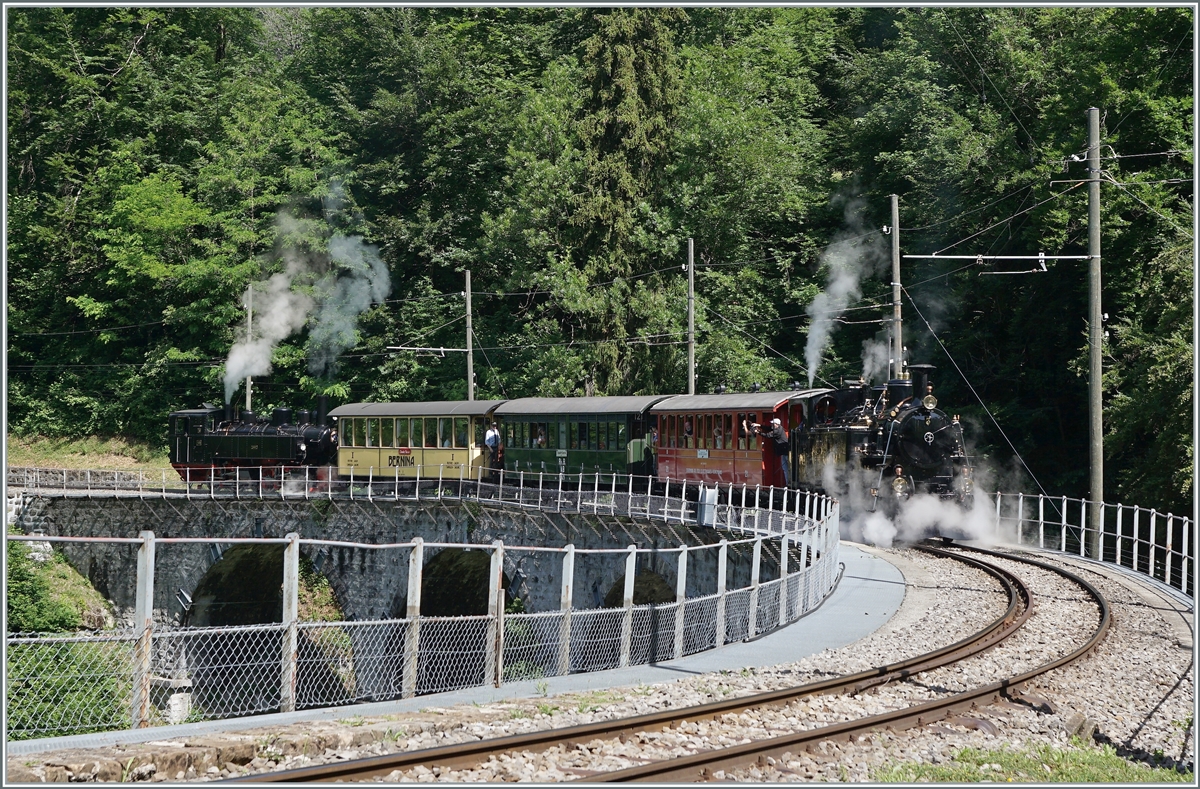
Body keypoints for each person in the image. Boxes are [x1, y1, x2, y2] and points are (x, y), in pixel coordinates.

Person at [757, 417, 790, 486]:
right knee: (785, 469)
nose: (771, 425)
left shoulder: (777, 431)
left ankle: (788, 484)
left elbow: (767, 435)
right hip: (783, 452)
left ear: (777, 424)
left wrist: (758, 432)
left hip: (785, 452)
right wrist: (758, 425)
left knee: (786, 469)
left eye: (773, 424)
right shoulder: (778, 428)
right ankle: (787, 483)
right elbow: (768, 428)